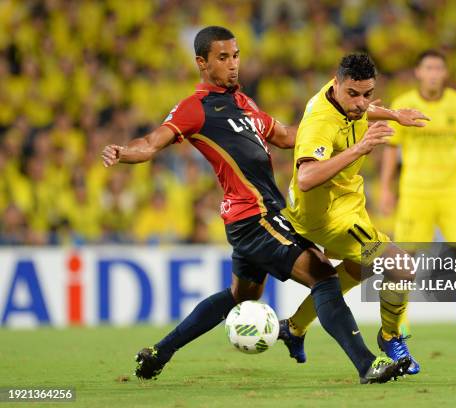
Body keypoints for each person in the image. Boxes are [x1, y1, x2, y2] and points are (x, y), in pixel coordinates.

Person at [101, 26, 406, 384]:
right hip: (254, 216)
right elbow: (152, 142)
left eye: (236, 55)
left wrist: (356, 114)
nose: (233, 65)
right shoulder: (195, 108)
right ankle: (367, 364)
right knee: (323, 274)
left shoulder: (246, 105)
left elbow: (291, 137)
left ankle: (158, 353)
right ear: (202, 62)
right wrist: (124, 152)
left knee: (242, 293)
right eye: (223, 57)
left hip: (258, 215)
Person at [277, 53, 429, 374]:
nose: (361, 103)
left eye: (368, 94)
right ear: (337, 84)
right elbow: (305, 177)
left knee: (358, 268)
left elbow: (362, 110)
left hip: (348, 203)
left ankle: (294, 327)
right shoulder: (320, 122)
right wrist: (359, 148)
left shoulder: (344, 98)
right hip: (328, 217)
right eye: (354, 94)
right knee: (400, 266)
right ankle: (390, 336)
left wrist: (394, 115)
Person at [380, 49, 456, 341]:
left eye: (439, 68)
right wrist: (387, 188)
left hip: (452, 192)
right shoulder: (403, 104)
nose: (434, 73)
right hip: (415, 192)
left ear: (445, 73)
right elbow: (392, 149)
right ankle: (401, 324)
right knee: (404, 260)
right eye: (428, 68)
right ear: (418, 72)